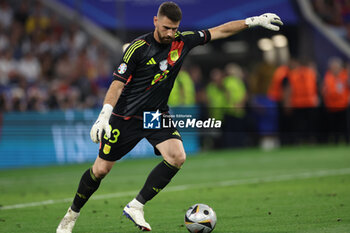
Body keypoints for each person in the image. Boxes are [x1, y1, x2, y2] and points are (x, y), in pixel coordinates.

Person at [56, 2, 282, 232]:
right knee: (101, 170)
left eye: (174, 29)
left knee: (177, 156)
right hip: (125, 117)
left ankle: (136, 206)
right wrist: (104, 114)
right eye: (166, 28)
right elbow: (117, 83)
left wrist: (251, 21)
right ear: (155, 21)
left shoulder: (183, 41)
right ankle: (71, 215)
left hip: (155, 115)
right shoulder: (138, 48)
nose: (170, 33)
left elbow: (220, 30)